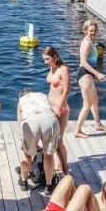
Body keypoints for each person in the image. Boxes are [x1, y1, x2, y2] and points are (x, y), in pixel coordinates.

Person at [15, 90, 60, 191]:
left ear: (20, 96)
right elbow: (54, 111)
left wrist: (28, 141)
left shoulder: (21, 100)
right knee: (48, 156)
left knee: (27, 155)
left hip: (31, 120)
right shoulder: (42, 95)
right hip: (49, 118)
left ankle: (23, 182)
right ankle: (49, 186)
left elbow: (20, 122)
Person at [75, 20, 106, 138]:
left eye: (95, 30)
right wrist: (97, 74)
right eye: (90, 30)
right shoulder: (87, 43)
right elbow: (83, 62)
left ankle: (97, 124)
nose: (93, 32)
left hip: (88, 75)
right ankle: (77, 130)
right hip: (85, 75)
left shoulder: (91, 42)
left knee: (95, 100)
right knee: (87, 104)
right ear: (85, 31)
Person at [43, 45, 71, 175]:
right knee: (51, 138)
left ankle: (64, 168)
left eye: (47, 59)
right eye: (44, 59)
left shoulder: (63, 69)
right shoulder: (51, 68)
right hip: (50, 107)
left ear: (54, 57)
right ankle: (57, 164)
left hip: (61, 108)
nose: (45, 62)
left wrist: (59, 106)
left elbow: (66, 90)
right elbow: (52, 89)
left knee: (59, 140)